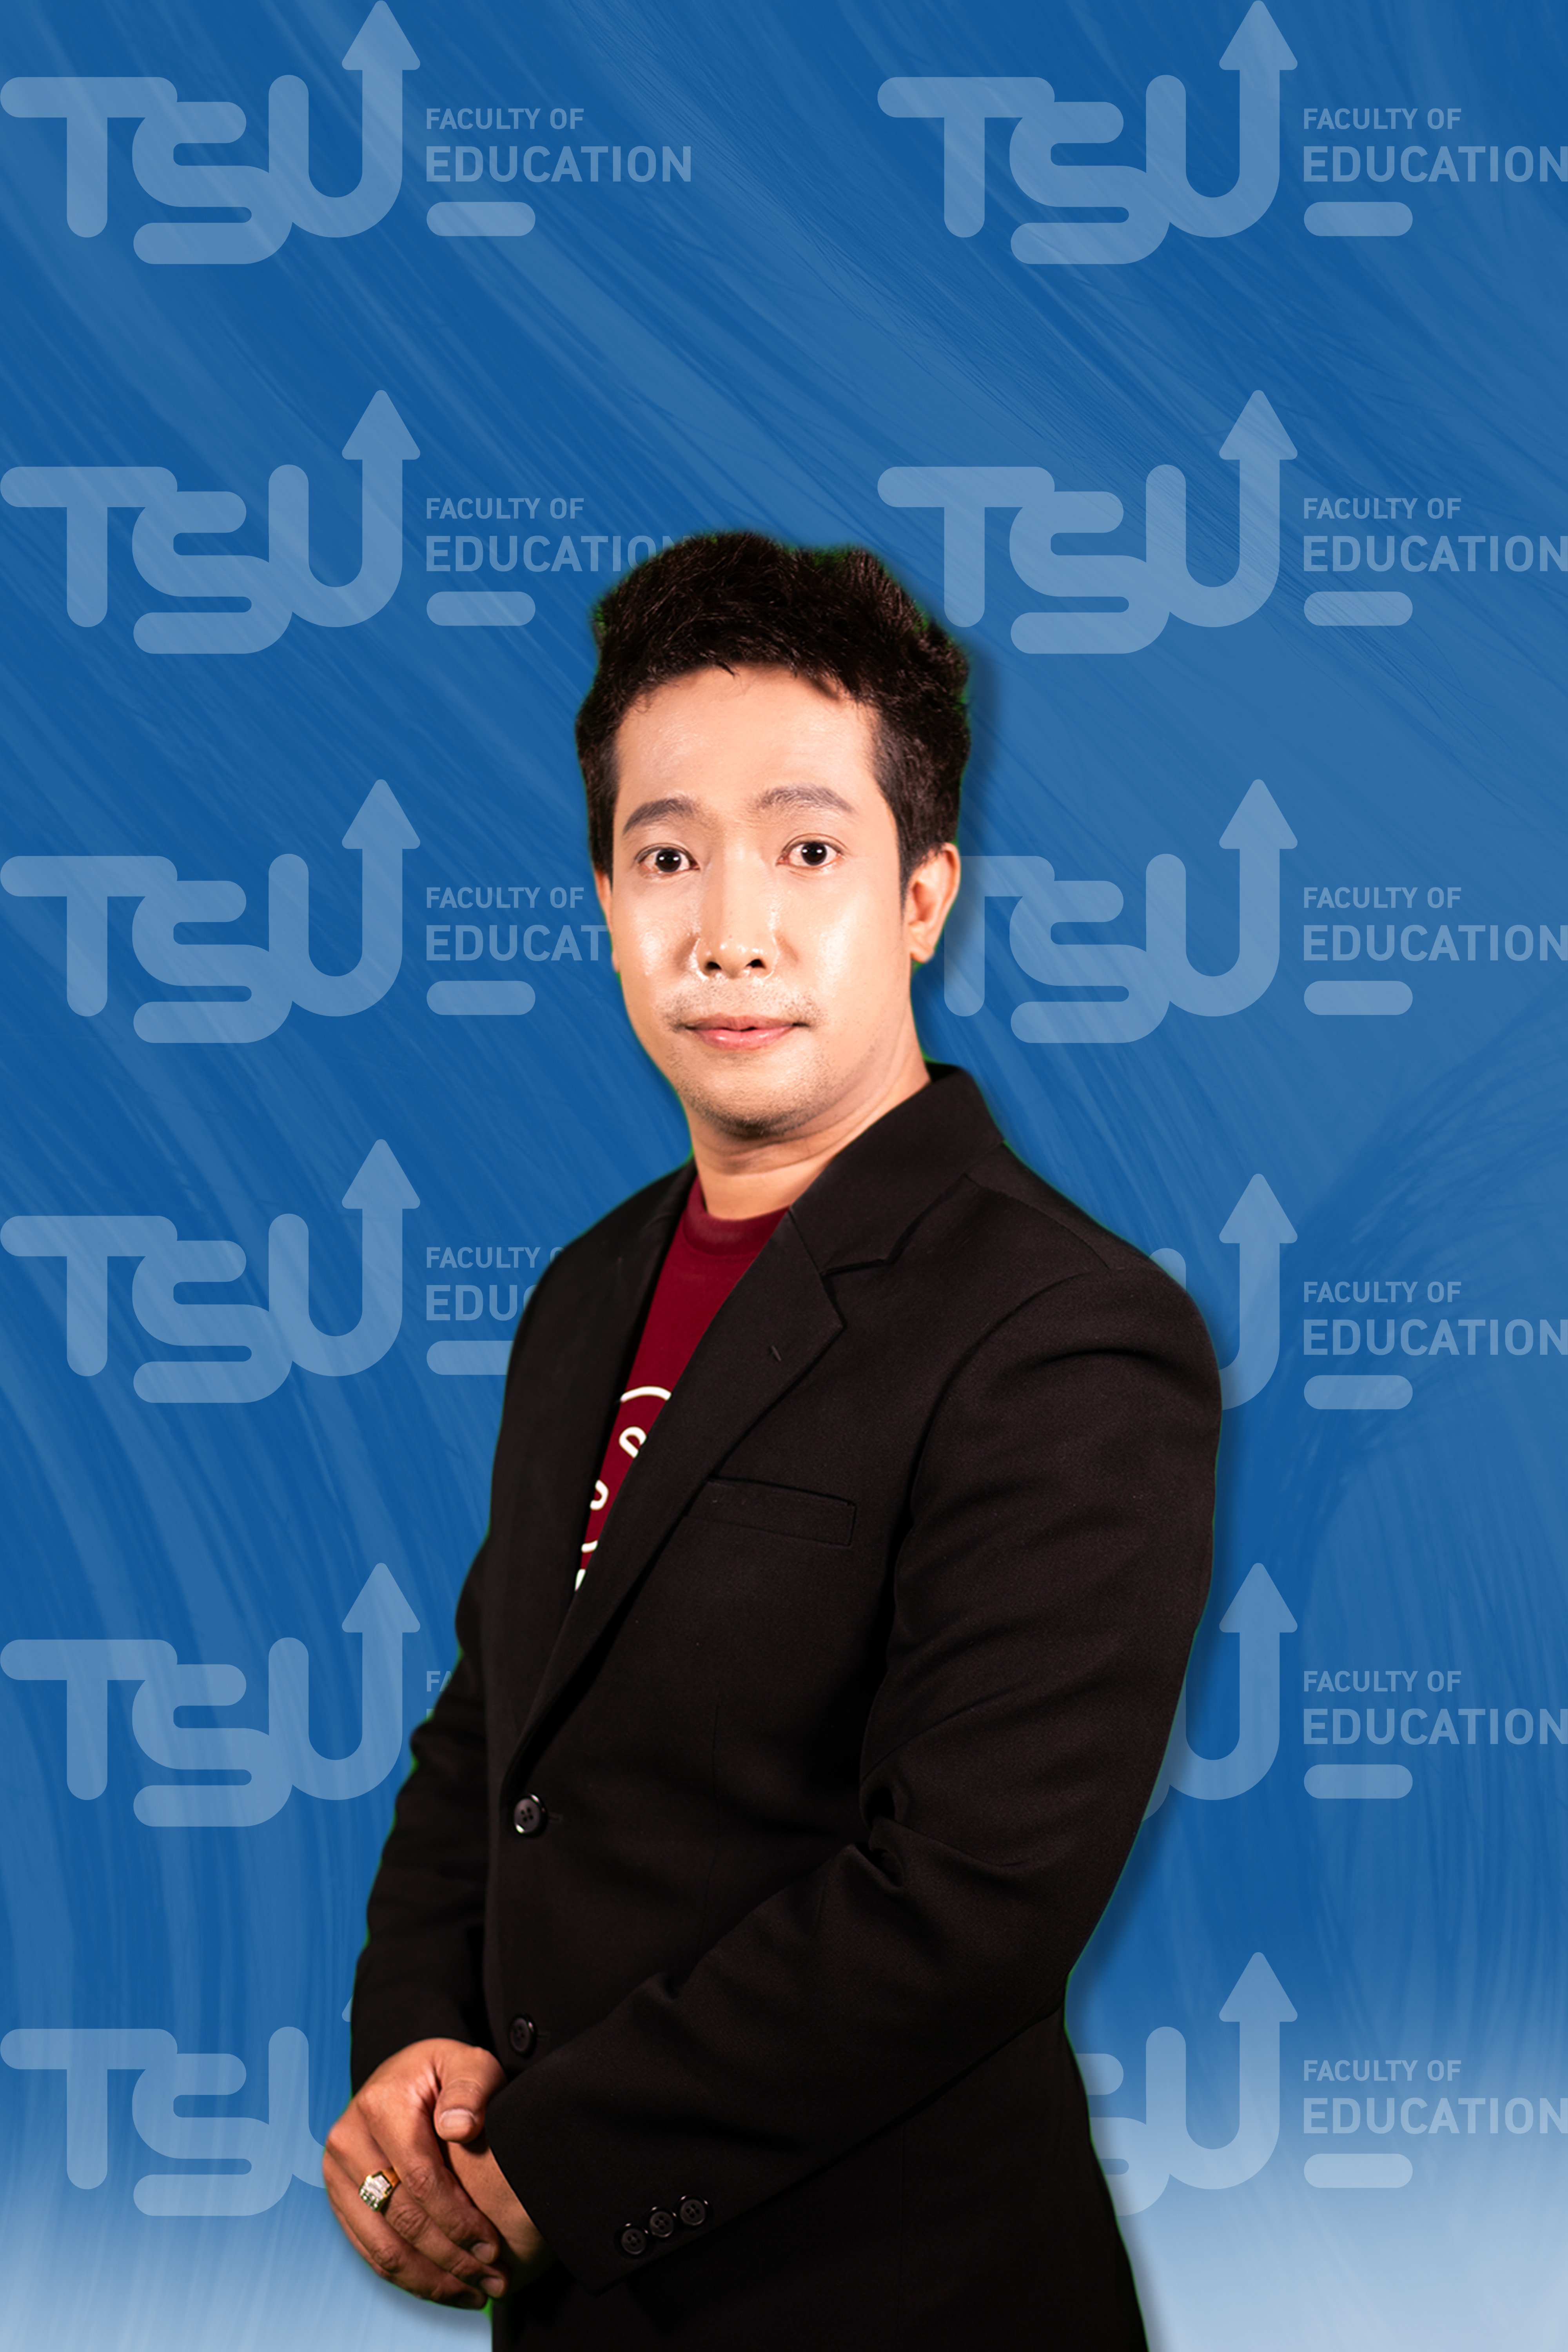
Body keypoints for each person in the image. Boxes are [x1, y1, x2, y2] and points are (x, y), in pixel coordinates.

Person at [325, 532, 1220, 2348]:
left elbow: (967, 1897)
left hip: (900, 2304)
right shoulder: (586, 1291)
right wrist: (414, 2050)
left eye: (808, 851)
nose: (728, 928)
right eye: (668, 856)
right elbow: (495, 1733)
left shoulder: (1064, 1331)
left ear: (924, 894)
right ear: (604, 895)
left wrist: (548, 2166)